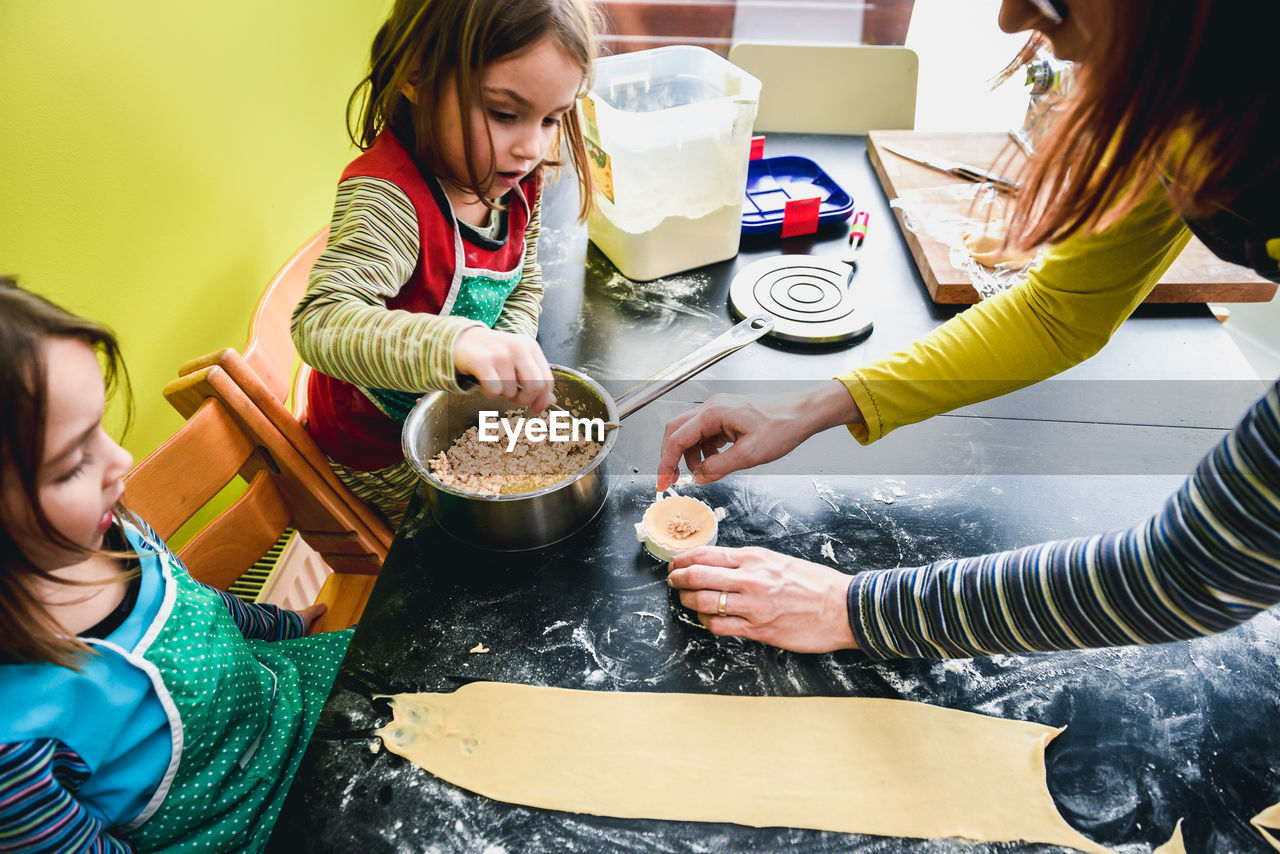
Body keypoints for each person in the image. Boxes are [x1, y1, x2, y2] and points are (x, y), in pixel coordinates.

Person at [660, 0, 1280, 657]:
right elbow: (1059, 312)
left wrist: (855, 610)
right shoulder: (1175, 95)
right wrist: (815, 405)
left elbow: (1195, 574)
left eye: (1051, 1)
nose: (1012, 21)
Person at [0, 281, 351, 852]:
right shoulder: (11, 744)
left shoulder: (112, 527)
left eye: (101, 430)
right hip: (236, 834)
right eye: (71, 464)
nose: (122, 461)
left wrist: (286, 625)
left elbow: (199, 605)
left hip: (285, 699)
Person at [291, 0, 598, 526]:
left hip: (455, 411)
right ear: (417, 76)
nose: (532, 146)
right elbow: (319, 323)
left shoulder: (515, 173)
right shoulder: (388, 198)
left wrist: (512, 342)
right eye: (504, 113)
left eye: (552, 118)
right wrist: (459, 342)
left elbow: (523, 276)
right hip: (379, 450)